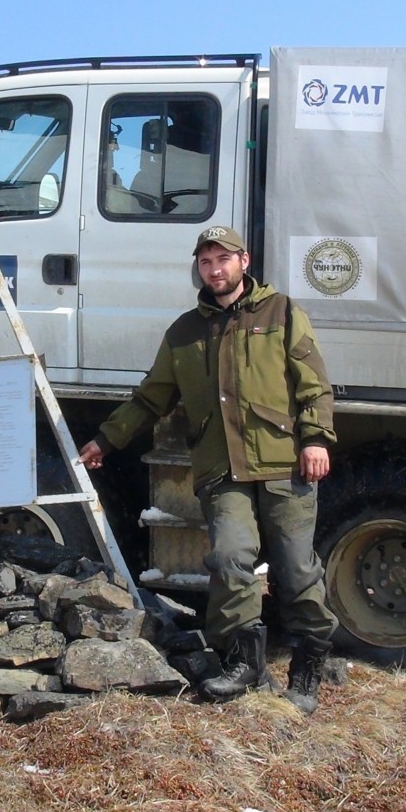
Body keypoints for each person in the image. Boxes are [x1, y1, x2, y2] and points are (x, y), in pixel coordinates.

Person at [79, 225, 340, 713]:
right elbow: (150, 398)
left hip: (284, 463)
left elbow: (314, 385)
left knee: (295, 568)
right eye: (205, 262)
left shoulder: (282, 312)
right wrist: (105, 440)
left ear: (244, 261)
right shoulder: (183, 333)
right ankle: (244, 664)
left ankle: (307, 668)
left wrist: (316, 439)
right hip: (222, 470)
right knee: (228, 558)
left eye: (223, 259)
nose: (214, 269)